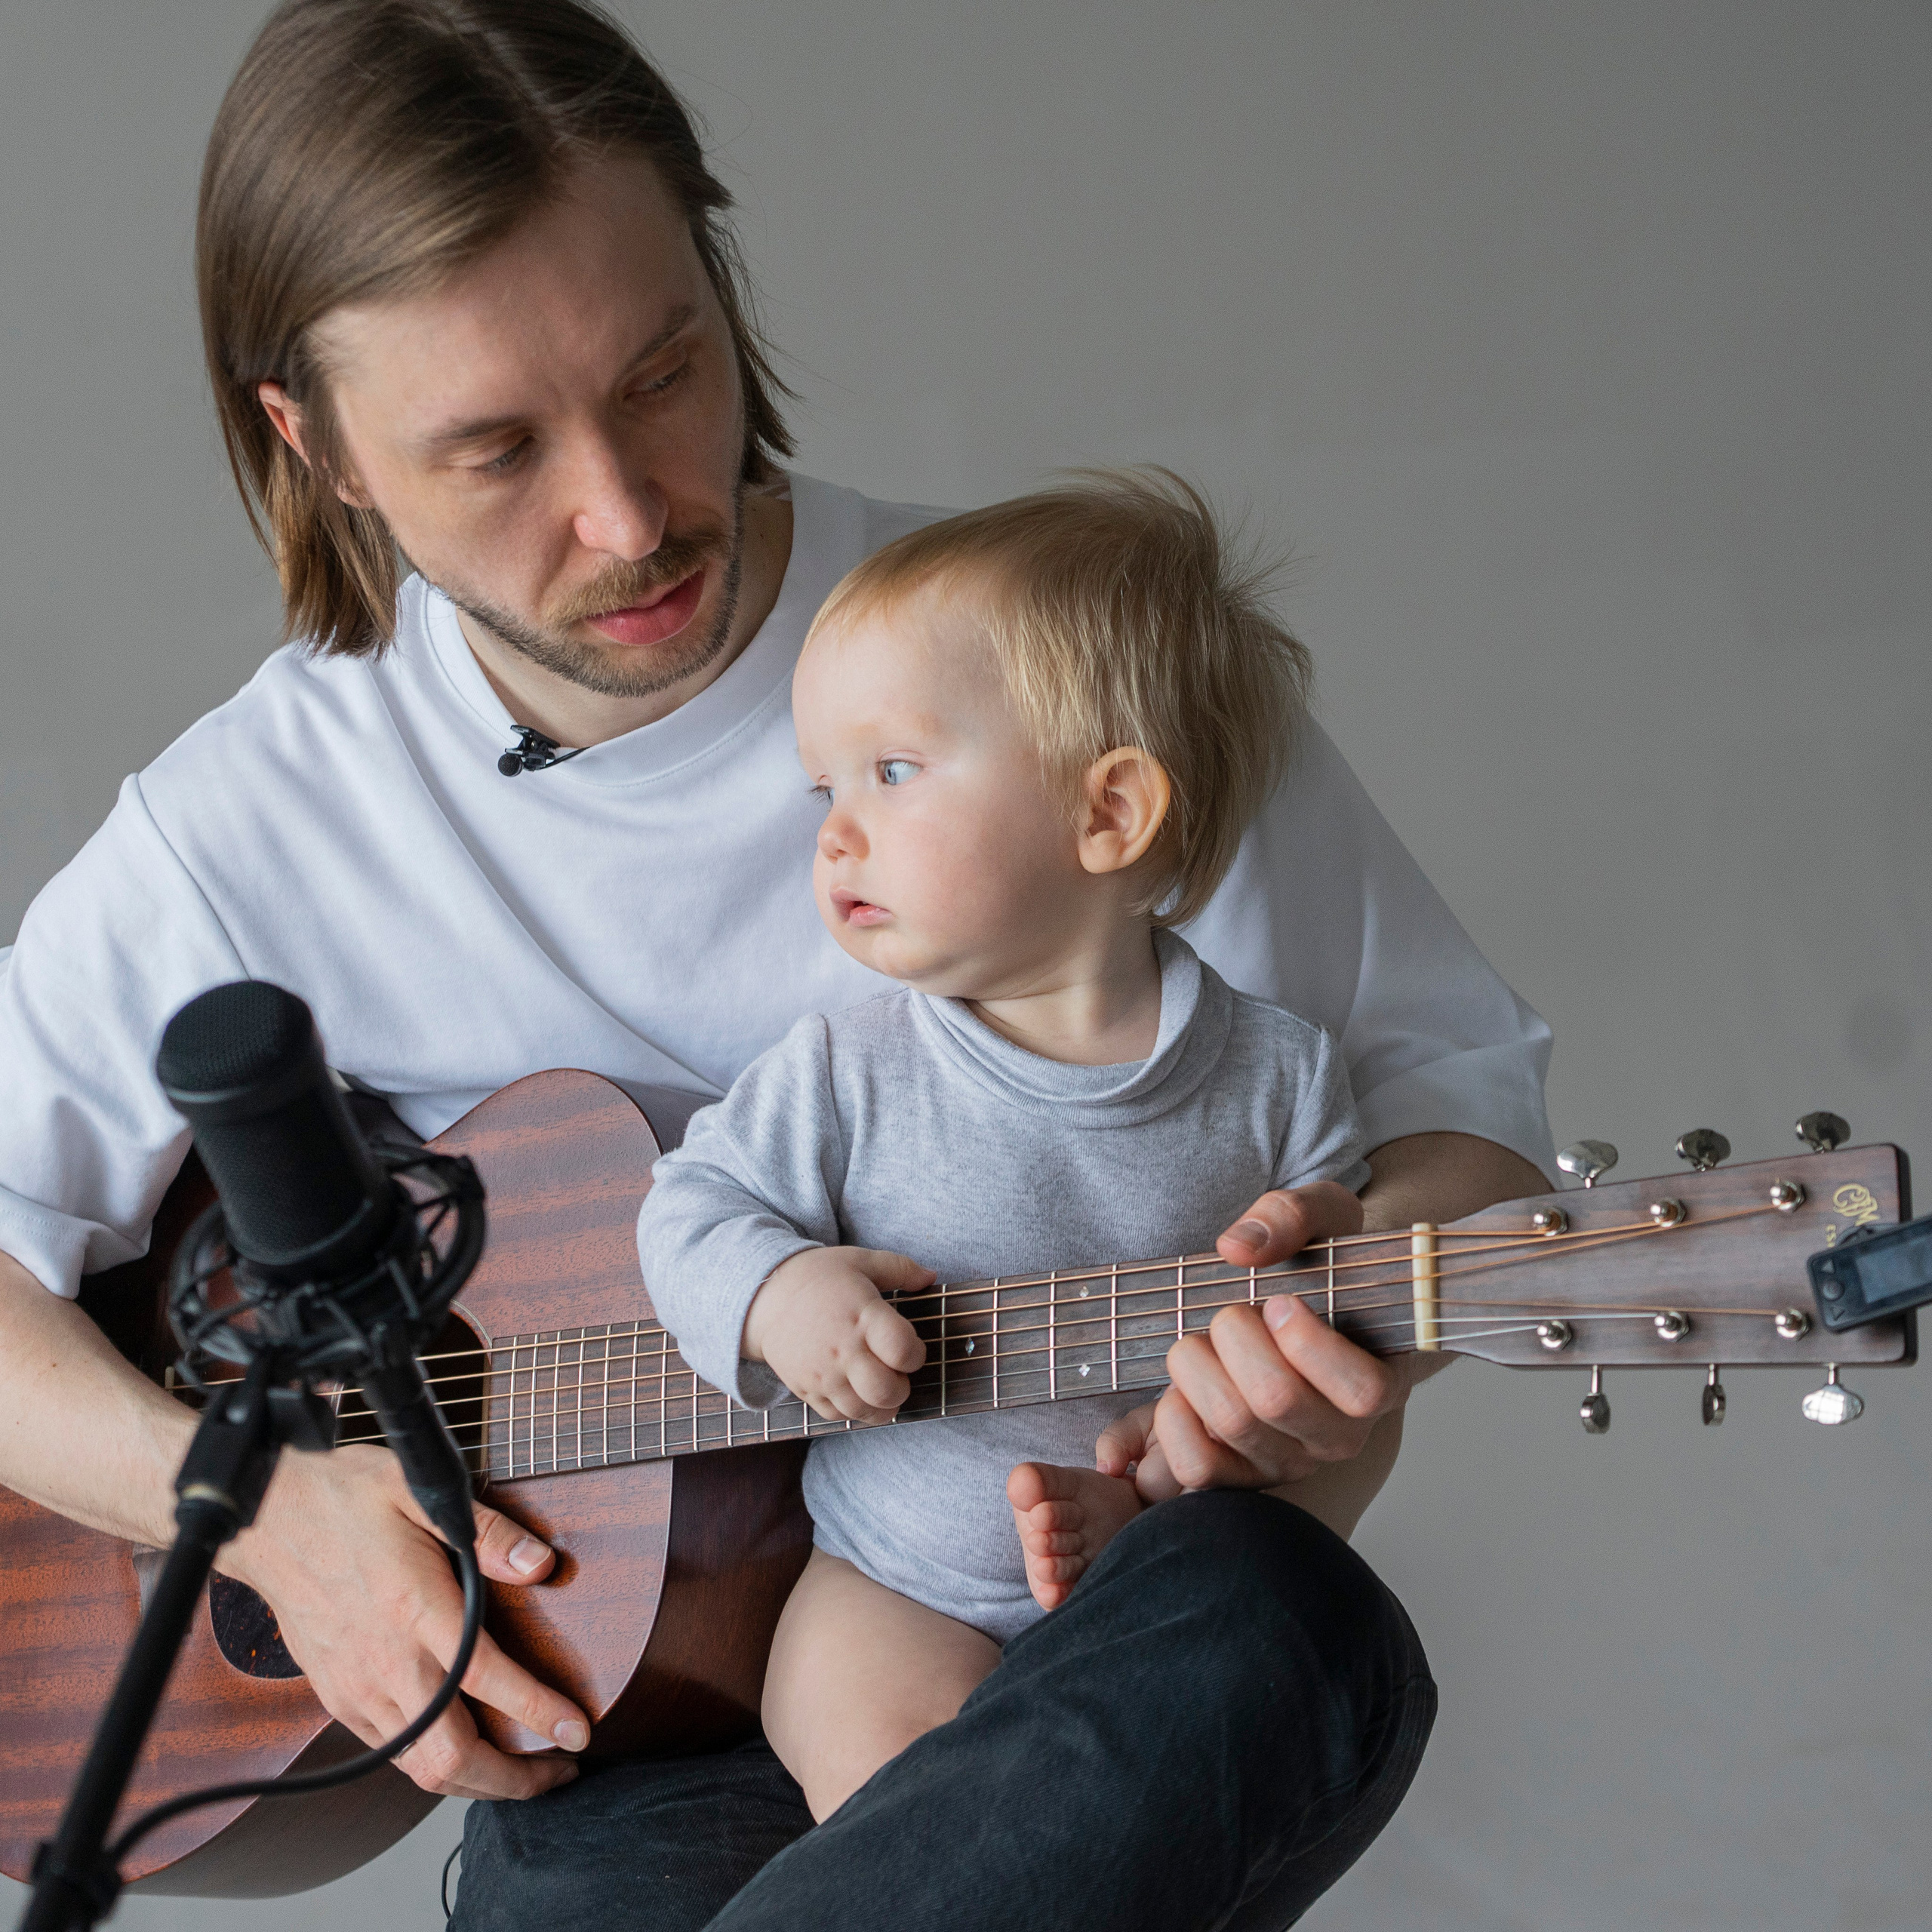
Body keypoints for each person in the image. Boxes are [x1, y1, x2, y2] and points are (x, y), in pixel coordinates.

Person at [0, 2, 1553, 1924]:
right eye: (493, 449)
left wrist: (1327, 1330)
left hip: (1065, 1635)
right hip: (630, 1736)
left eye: (664, 370)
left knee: (1274, 1616)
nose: (632, 510)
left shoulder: (1057, 666)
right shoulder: (241, 833)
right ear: (312, 446)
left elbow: (1462, 1123)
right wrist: (275, 1515)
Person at [639, 472, 1379, 1825]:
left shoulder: (1279, 1076)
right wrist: (775, 1293)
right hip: (888, 1588)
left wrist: (1155, 1479)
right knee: (907, 1802)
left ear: (1109, 814)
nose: (833, 831)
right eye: (825, 786)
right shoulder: (853, 1064)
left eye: (894, 771)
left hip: (1141, 1575)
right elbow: (687, 1207)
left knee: (1134, 1812)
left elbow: (1311, 1331)